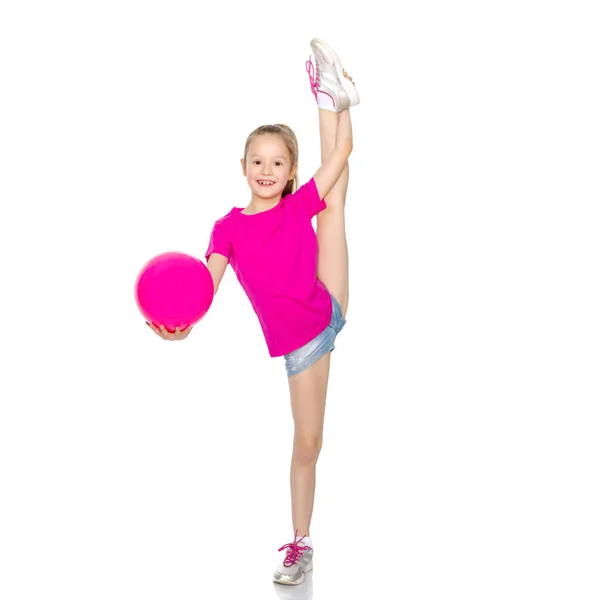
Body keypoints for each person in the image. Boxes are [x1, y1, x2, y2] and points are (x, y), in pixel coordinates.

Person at [147, 37, 359, 586]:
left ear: (290, 172)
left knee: (335, 197)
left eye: (278, 163)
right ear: (243, 166)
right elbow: (205, 286)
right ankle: (303, 543)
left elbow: (340, 159)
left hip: (324, 304)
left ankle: (330, 95)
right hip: (302, 343)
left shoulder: (295, 205)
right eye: (257, 161)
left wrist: (345, 117)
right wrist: (181, 329)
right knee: (309, 442)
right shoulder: (228, 228)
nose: (266, 170)